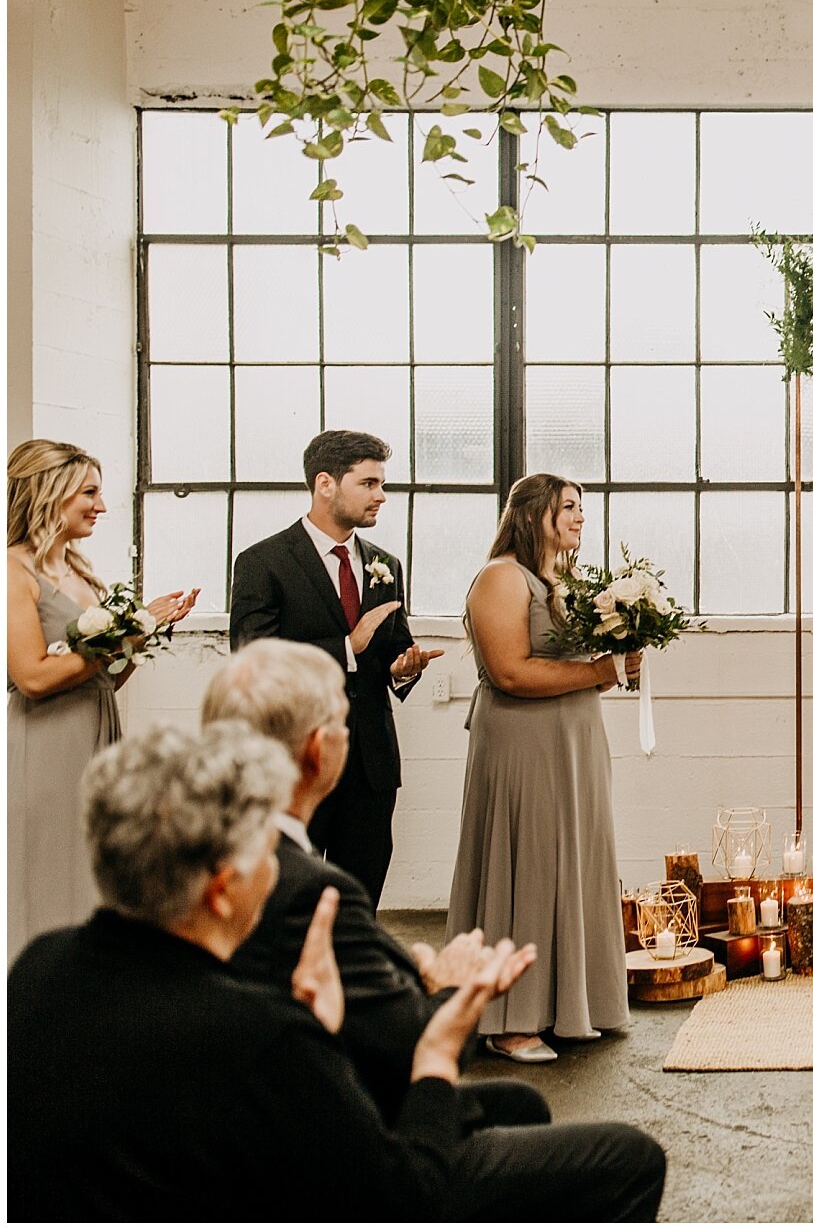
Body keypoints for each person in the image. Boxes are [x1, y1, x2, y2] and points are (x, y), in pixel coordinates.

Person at [204, 640, 668, 1216]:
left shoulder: (205, 863)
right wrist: (451, 989)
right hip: (347, 1157)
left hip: (265, 1103)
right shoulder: (308, 889)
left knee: (519, 1105)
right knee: (631, 1157)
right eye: (343, 719)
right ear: (318, 751)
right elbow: (413, 1043)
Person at [8, 723, 513, 1218]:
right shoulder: (256, 1032)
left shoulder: (36, 968)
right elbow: (403, 1199)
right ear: (222, 891)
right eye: (266, 850)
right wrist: (436, 1057)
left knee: (512, 1106)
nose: (278, 867)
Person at [448, 474, 633, 1064]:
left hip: (574, 741)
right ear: (534, 516)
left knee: (572, 863)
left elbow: (576, 663)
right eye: (569, 508)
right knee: (526, 863)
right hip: (523, 743)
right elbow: (510, 673)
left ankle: (575, 1004)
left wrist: (624, 660)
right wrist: (602, 672)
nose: (581, 518)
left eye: (582, 508)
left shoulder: (568, 580)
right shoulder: (502, 577)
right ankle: (510, 1019)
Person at [229, 429, 442, 907]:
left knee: (359, 900)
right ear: (325, 483)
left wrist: (404, 667)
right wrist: (346, 646)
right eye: (368, 483)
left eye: (381, 483)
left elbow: (393, 645)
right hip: (294, 760)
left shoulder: (385, 564)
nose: (381, 496)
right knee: (284, 898)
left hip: (369, 763)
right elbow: (251, 657)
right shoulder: (263, 562)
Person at [7, 438, 199, 956]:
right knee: (50, 867)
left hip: (99, 724)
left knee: (97, 864)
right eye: (89, 492)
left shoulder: (82, 569)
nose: (102, 505)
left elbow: (104, 677)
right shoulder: (13, 572)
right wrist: (128, 633)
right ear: (51, 493)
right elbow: (33, 677)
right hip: (47, 738)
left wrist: (146, 632)